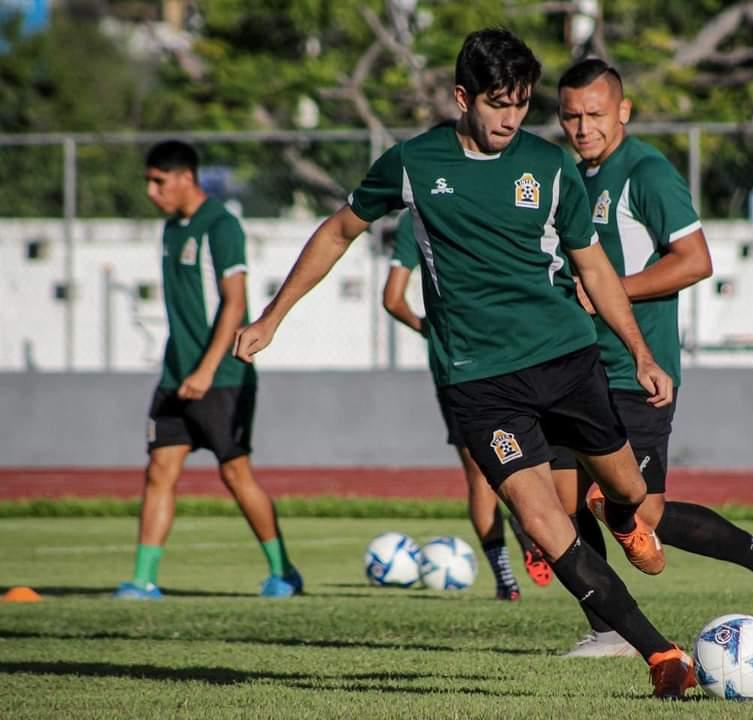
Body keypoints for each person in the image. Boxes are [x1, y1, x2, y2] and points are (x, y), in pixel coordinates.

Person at [234, 28, 696, 698]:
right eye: (497, 103)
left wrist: (641, 354)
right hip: (477, 381)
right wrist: (273, 317)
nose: (511, 117)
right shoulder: (412, 165)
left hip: (566, 359)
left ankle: (624, 519)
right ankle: (660, 656)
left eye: (520, 103)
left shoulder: (548, 166)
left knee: (627, 491)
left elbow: (593, 266)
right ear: (462, 97)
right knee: (544, 520)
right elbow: (338, 231)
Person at [555, 58, 753, 656]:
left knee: (642, 510)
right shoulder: (576, 177)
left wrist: (608, 290)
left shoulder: (645, 172)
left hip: (632, 370)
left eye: (595, 114)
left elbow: (695, 260)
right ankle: (611, 627)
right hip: (576, 367)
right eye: (571, 116)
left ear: (623, 110)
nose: (583, 126)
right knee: (557, 501)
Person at [114, 140, 302, 600]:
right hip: (174, 376)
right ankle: (143, 580)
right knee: (160, 469)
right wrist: (183, 372)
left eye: (158, 181)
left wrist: (205, 369)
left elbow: (234, 301)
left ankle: (283, 573)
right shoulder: (170, 230)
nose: (151, 191)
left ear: (185, 178)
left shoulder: (220, 225)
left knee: (235, 474)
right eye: (148, 181)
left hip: (221, 378)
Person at [381, 211, 559, 599]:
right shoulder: (485, 207)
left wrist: (433, 332)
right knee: (532, 461)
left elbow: (392, 299)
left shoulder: (417, 219)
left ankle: (505, 581)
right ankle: (529, 523)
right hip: (517, 354)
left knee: (481, 475)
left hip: (458, 367)